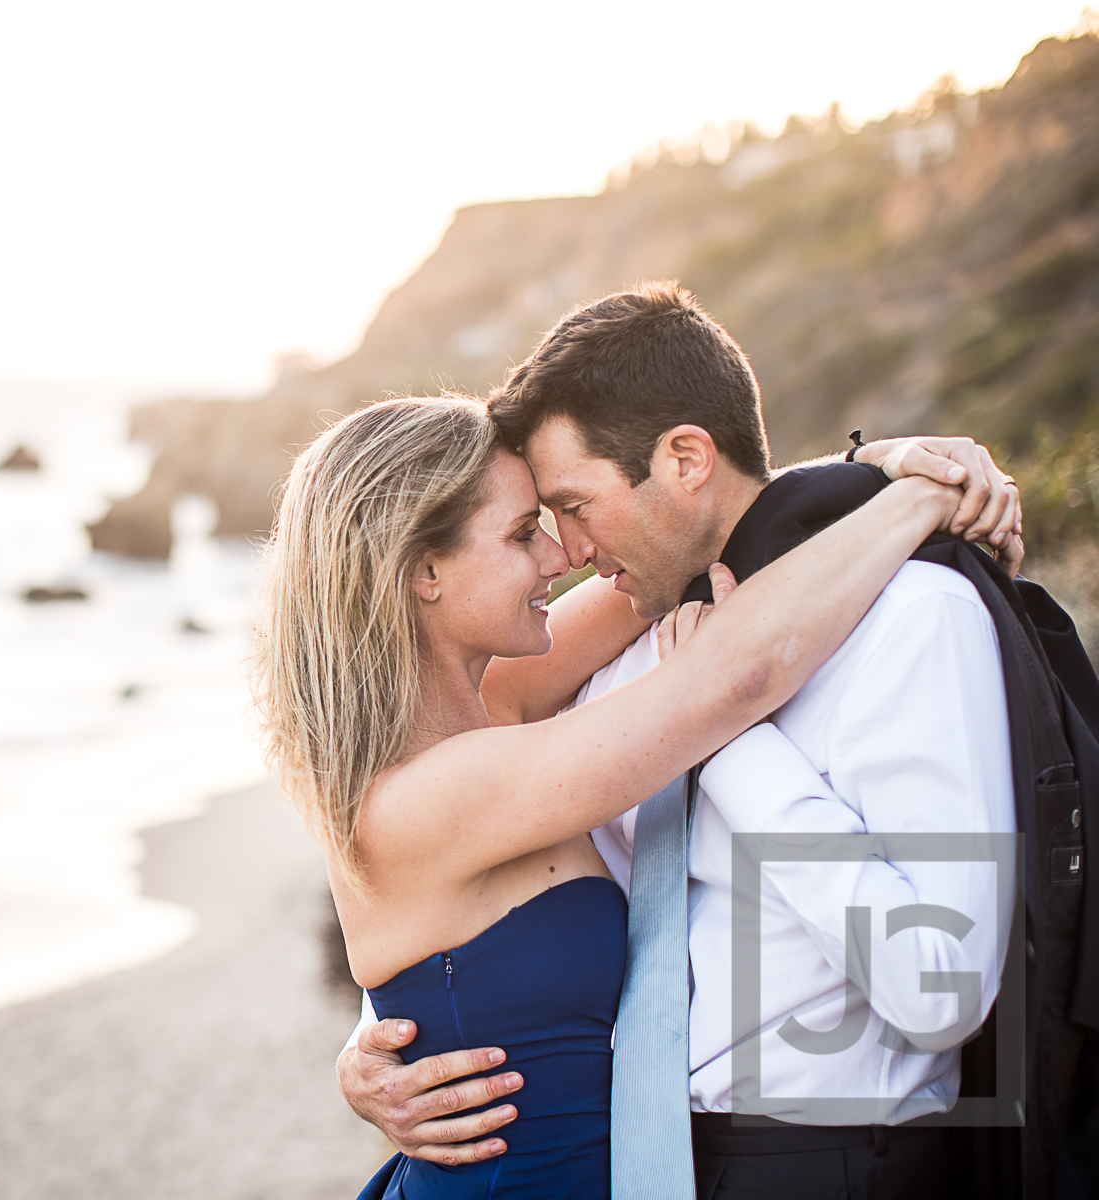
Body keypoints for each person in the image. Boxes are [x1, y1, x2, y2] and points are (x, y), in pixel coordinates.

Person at [333, 283, 1024, 1200]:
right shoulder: (618, 661)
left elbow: (942, 990)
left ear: (687, 459)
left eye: (571, 507)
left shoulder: (913, 620)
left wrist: (734, 750)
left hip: (830, 1161)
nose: (566, 552)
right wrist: (389, 1032)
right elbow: (478, 919)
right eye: (533, 526)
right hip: (646, 1156)